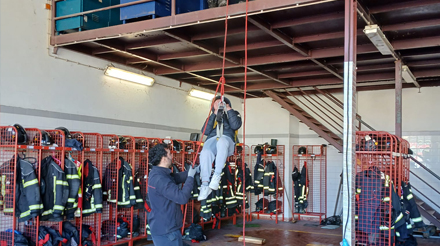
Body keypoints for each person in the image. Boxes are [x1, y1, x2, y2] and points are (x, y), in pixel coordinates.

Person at [147, 143, 198, 246]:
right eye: (169, 154)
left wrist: (193, 171)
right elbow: (182, 198)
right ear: (163, 158)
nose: (172, 156)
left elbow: (175, 178)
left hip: (162, 227)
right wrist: (191, 178)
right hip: (167, 232)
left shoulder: (157, 173)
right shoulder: (161, 179)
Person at [198, 96, 242, 201]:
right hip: (213, 139)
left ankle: (216, 176)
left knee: (222, 141)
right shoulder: (212, 116)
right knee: (205, 151)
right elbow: (205, 131)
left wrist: (228, 109)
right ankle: (205, 184)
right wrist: (215, 112)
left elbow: (235, 125)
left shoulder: (234, 113)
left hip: (228, 141)